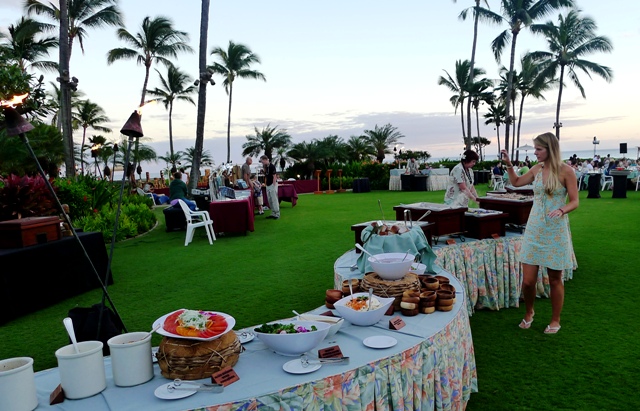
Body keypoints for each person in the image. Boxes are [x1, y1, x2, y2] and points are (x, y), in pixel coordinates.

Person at [501, 132, 578, 335]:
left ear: (549, 149)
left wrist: (562, 209)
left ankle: (555, 319)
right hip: (534, 228)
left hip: (555, 230)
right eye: (534, 149)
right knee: (527, 281)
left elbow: (575, 201)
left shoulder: (566, 171)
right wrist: (509, 164)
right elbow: (516, 183)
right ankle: (529, 312)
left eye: (538, 149)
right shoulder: (537, 169)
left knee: (555, 278)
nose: (535, 153)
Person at [261, 155, 280, 219]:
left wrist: (274, 185)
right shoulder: (266, 167)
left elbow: (274, 176)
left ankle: (277, 213)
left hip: (272, 184)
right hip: (268, 185)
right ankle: (273, 212)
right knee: (270, 200)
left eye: (262, 161)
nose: (262, 163)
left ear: (265, 159)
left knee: (274, 199)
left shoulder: (272, 166)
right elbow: (267, 175)